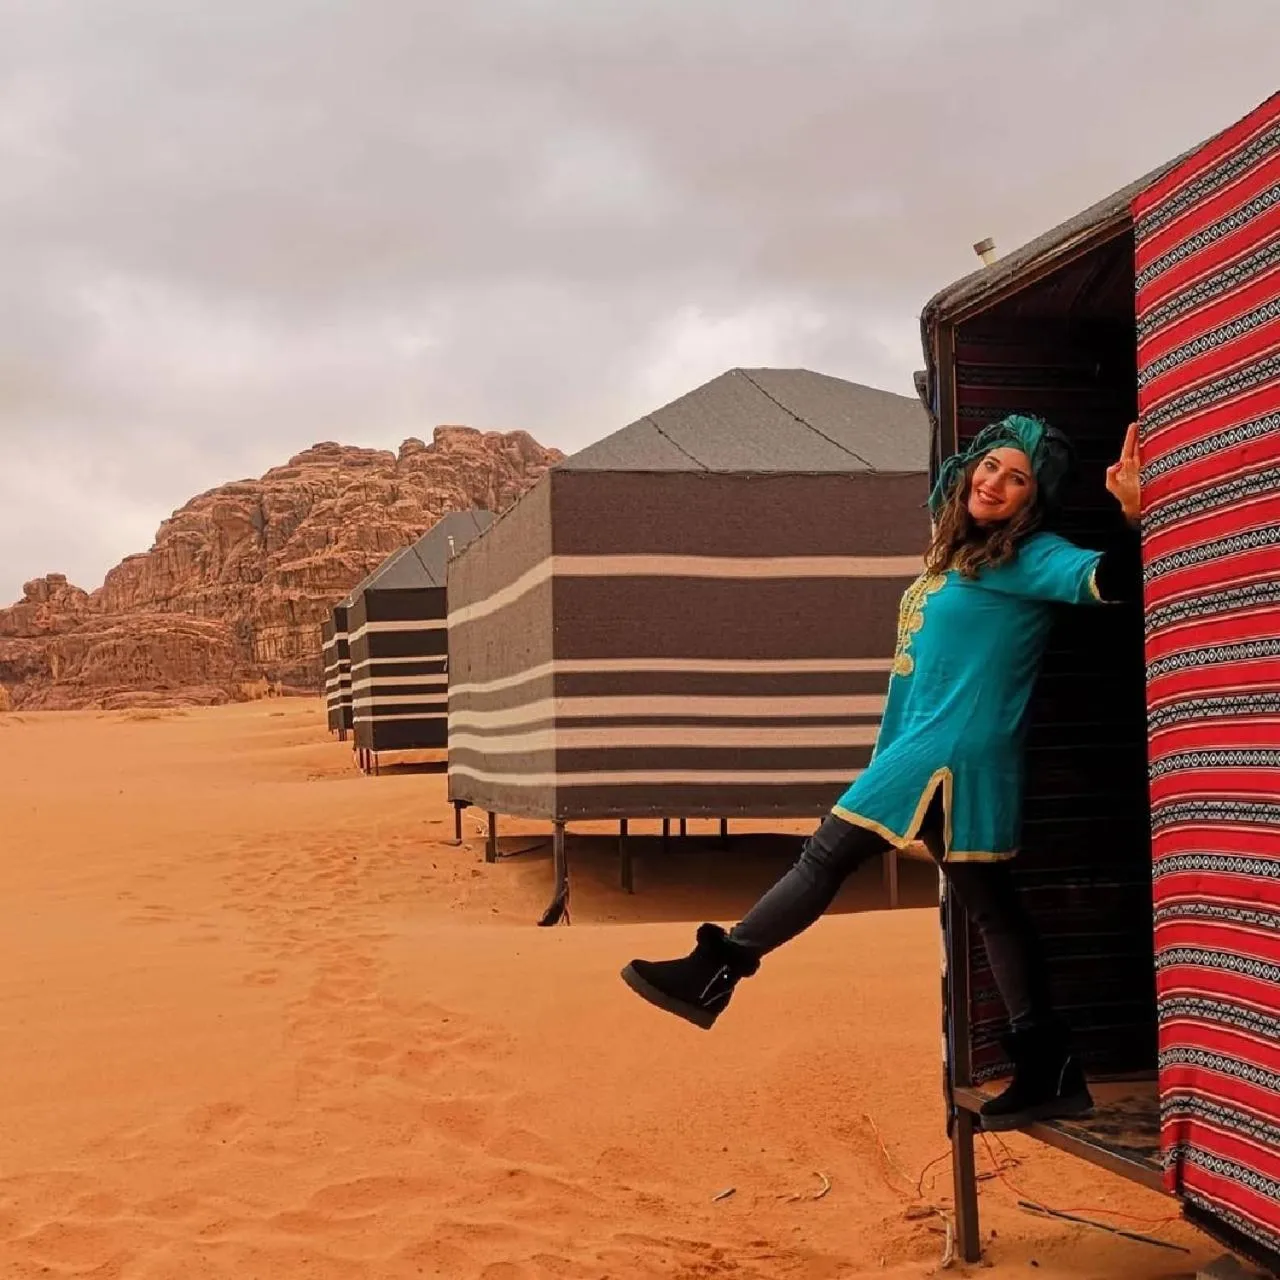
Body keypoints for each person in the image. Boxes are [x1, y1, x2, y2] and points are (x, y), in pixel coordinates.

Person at [620, 413, 1143, 1132]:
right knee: (991, 904)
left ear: (1033, 500)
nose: (994, 482)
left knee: (827, 853)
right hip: (927, 744)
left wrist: (1134, 515)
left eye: (1016, 478)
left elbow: (1106, 581)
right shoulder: (958, 553)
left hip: (948, 751)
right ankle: (1049, 1067)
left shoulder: (1030, 556)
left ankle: (718, 971)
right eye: (989, 465)